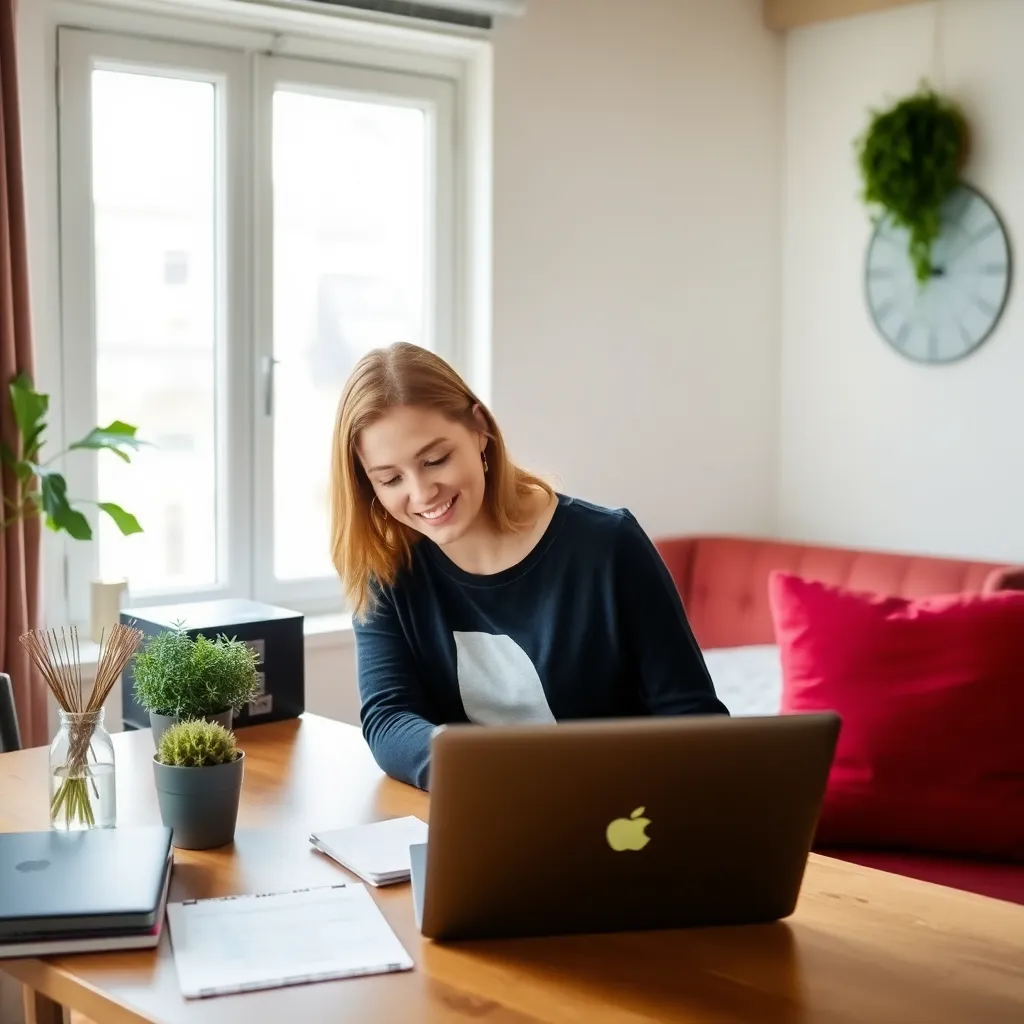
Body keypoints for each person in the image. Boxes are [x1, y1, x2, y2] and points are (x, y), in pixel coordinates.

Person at [329, 342, 729, 790]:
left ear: (479, 429)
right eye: (390, 478)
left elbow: (694, 720)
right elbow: (388, 718)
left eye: (435, 459)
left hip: (620, 820)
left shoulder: (608, 545)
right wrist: (490, 774)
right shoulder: (387, 568)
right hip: (479, 817)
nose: (422, 494)